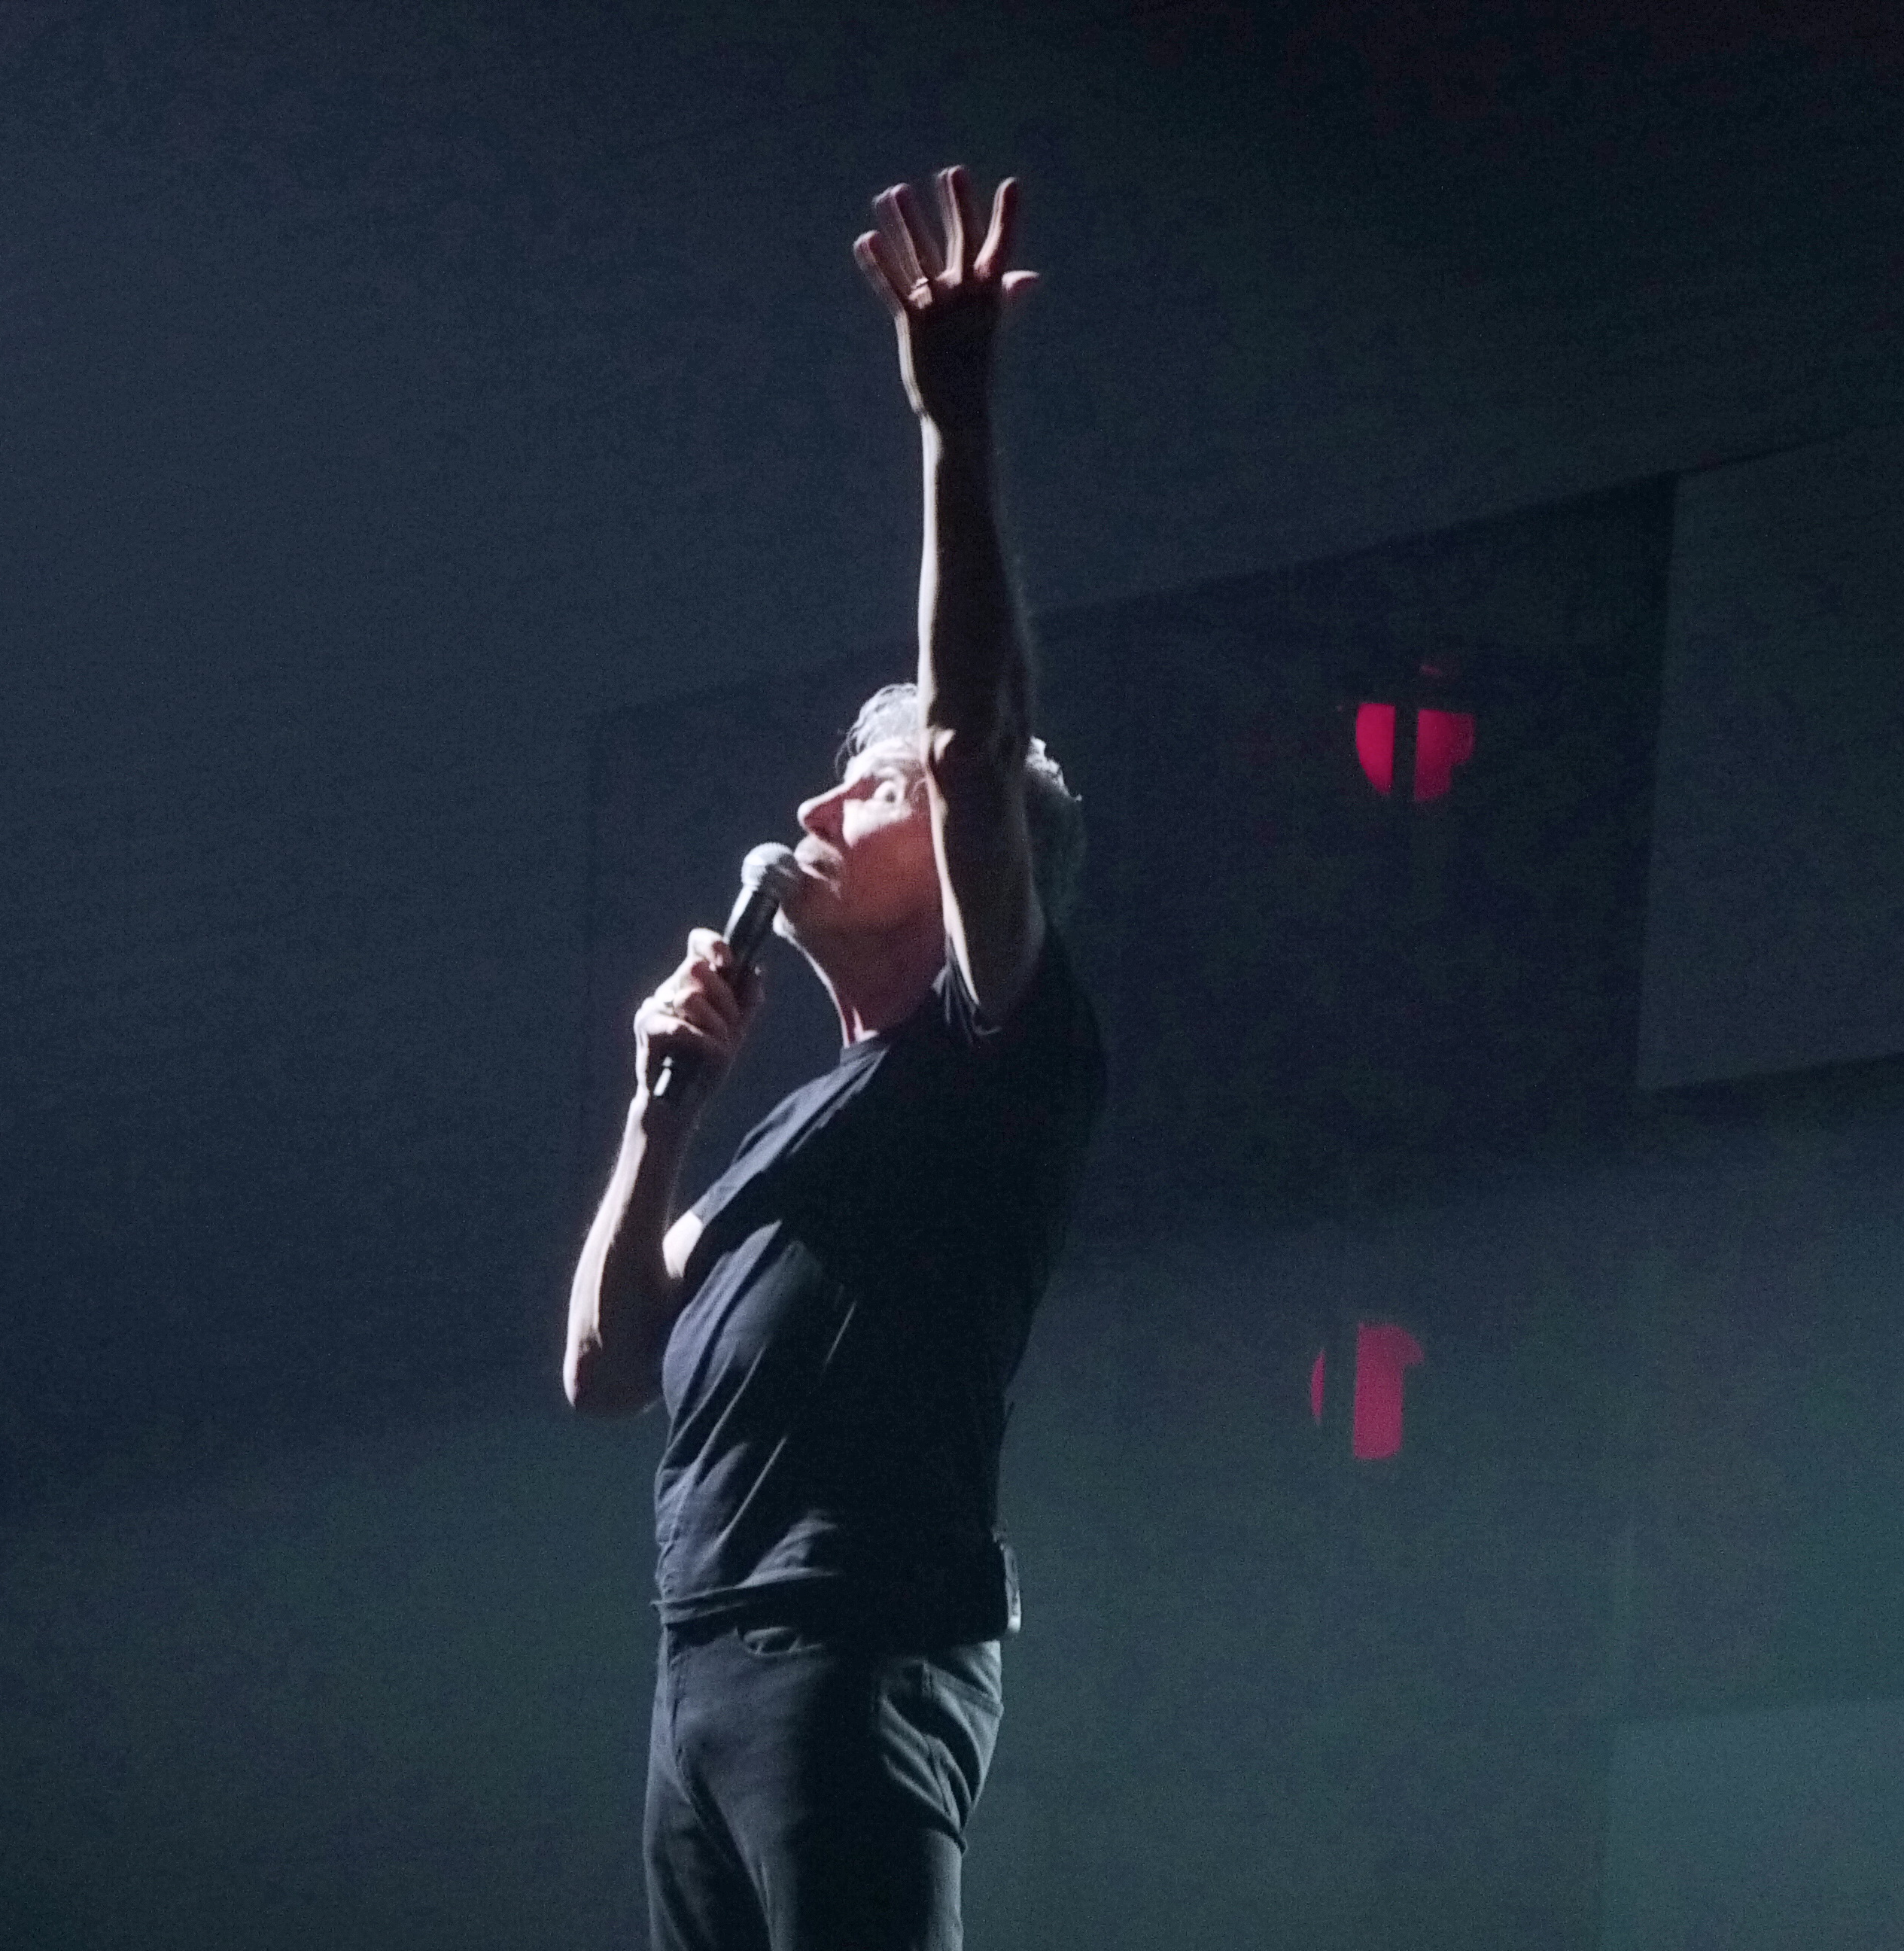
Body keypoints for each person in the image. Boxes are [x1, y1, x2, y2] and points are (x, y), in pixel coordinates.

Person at [563, 166, 1104, 1951]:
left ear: (954, 852)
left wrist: (954, 421)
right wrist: (661, 1119)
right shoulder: (789, 1129)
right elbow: (602, 1369)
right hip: (700, 1668)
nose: (814, 805)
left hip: (855, 1645)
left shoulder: (992, 1059)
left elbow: (974, 739)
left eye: (862, 789)